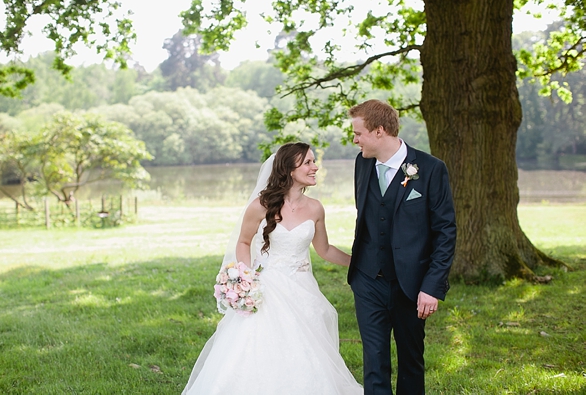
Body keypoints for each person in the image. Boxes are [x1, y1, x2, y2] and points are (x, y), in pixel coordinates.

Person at [182, 142, 363, 395]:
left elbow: (324, 250)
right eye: (308, 163)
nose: (315, 167)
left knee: (306, 348)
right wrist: (246, 280)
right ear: (290, 169)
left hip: (303, 289)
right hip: (267, 288)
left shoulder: (315, 208)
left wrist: (359, 263)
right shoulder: (260, 205)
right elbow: (244, 242)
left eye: (314, 162)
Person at [347, 99, 456, 394]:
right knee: (374, 361)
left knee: (411, 362)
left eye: (358, 133)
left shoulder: (431, 169)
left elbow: (445, 231)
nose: (354, 140)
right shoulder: (362, 163)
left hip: (411, 284)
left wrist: (432, 286)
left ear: (380, 131)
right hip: (368, 280)